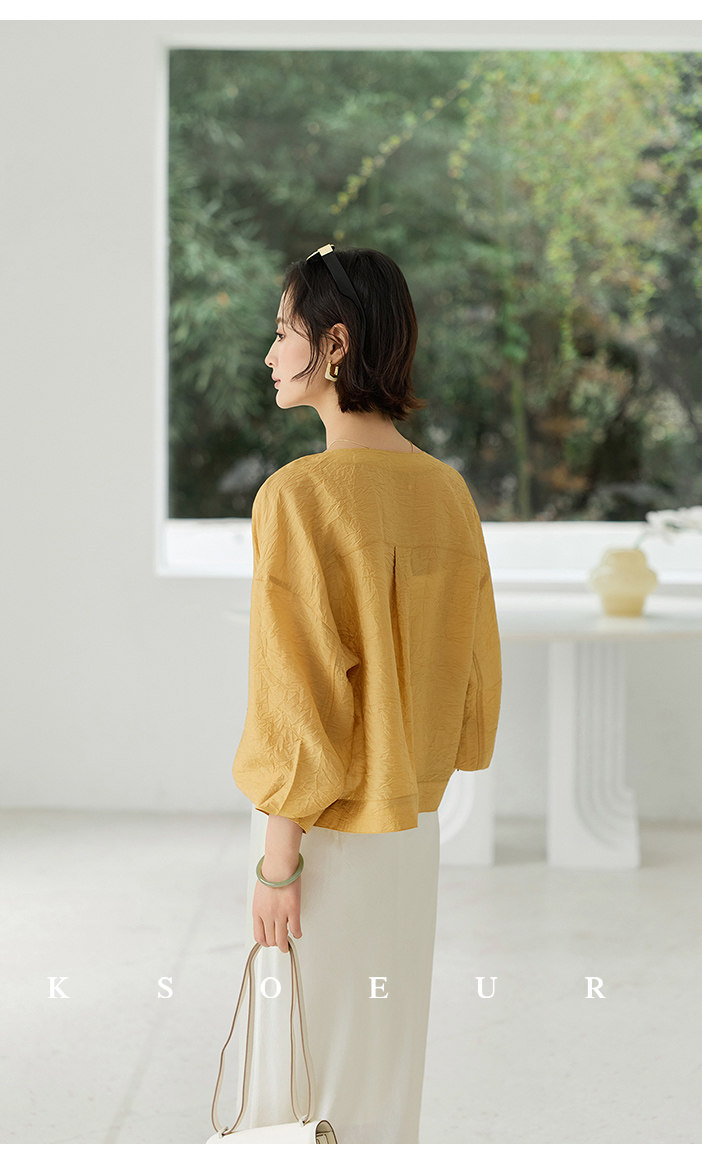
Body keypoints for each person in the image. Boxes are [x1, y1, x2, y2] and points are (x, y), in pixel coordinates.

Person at [228, 244, 502, 1144]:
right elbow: (472, 678)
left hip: (324, 836)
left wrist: (278, 861)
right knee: (385, 1078)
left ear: (335, 344)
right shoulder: (448, 495)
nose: (270, 354)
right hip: (412, 835)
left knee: (301, 1088)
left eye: (284, 332)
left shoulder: (298, 498)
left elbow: (298, 696)